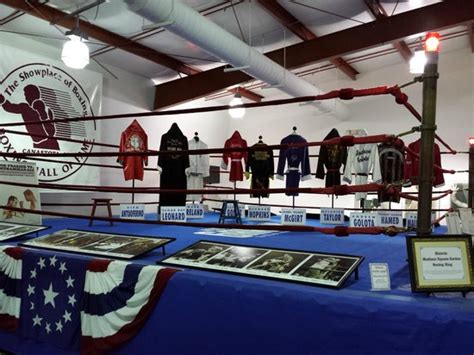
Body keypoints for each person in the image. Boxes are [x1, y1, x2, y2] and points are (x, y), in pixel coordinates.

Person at [0, 85, 59, 150]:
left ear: (36, 95)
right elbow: (10, 107)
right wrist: (3, 101)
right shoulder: (25, 107)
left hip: (51, 144)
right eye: (26, 95)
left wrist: (42, 112)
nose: (26, 98)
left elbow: (51, 132)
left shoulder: (47, 109)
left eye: (28, 95)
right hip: (37, 145)